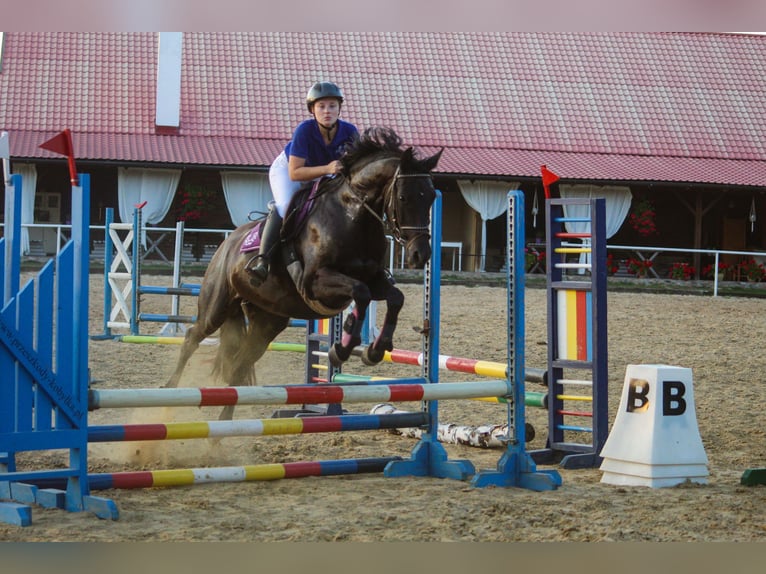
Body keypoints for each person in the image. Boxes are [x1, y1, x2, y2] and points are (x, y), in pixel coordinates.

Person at [247, 81, 359, 284]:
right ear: (312, 110)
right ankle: (262, 261)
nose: (327, 111)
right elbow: (295, 173)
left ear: (339, 108)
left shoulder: (350, 131)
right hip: (288, 171)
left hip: (327, 174)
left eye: (332, 106)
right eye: (321, 106)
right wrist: (327, 169)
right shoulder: (304, 130)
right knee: (284, 206)